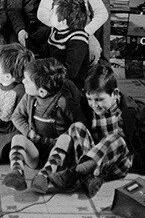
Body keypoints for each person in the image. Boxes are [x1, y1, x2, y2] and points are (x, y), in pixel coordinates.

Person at [48, 63, 136, 198]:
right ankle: (89, 178)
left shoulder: (128, 110)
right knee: (77, 126)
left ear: (115, 94)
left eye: (99, 99)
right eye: (90, 99)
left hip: (117, 164)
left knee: (115, 138)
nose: (94, 104)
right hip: (92, 159)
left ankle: (76, 173)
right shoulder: (87, 107)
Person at [3, 58, 86, 193]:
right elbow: (16, 116)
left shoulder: (64, 102)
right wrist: (28, 131)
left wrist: (67, 139)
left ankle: (44, 176)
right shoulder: (29, 98)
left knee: (65, 139)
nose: (23, 81)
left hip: (58, 156)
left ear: (41, 91)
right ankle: (17, 172)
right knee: (17, 138)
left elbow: (80, 125)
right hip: (36, 151)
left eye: (27, 80)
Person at [0, 43, 35, 165]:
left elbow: (20, 123)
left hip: (11, 130)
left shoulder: (21, 92)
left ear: (8, 76)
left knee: (0, 149)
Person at [47, 0, 91, 88]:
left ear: (64, 21)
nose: (49, 13)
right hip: (54, 78)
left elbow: (70, 72)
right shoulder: (56, 31)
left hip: (71, 85)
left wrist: (45, 74)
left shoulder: (78, 39)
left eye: (53, 11)